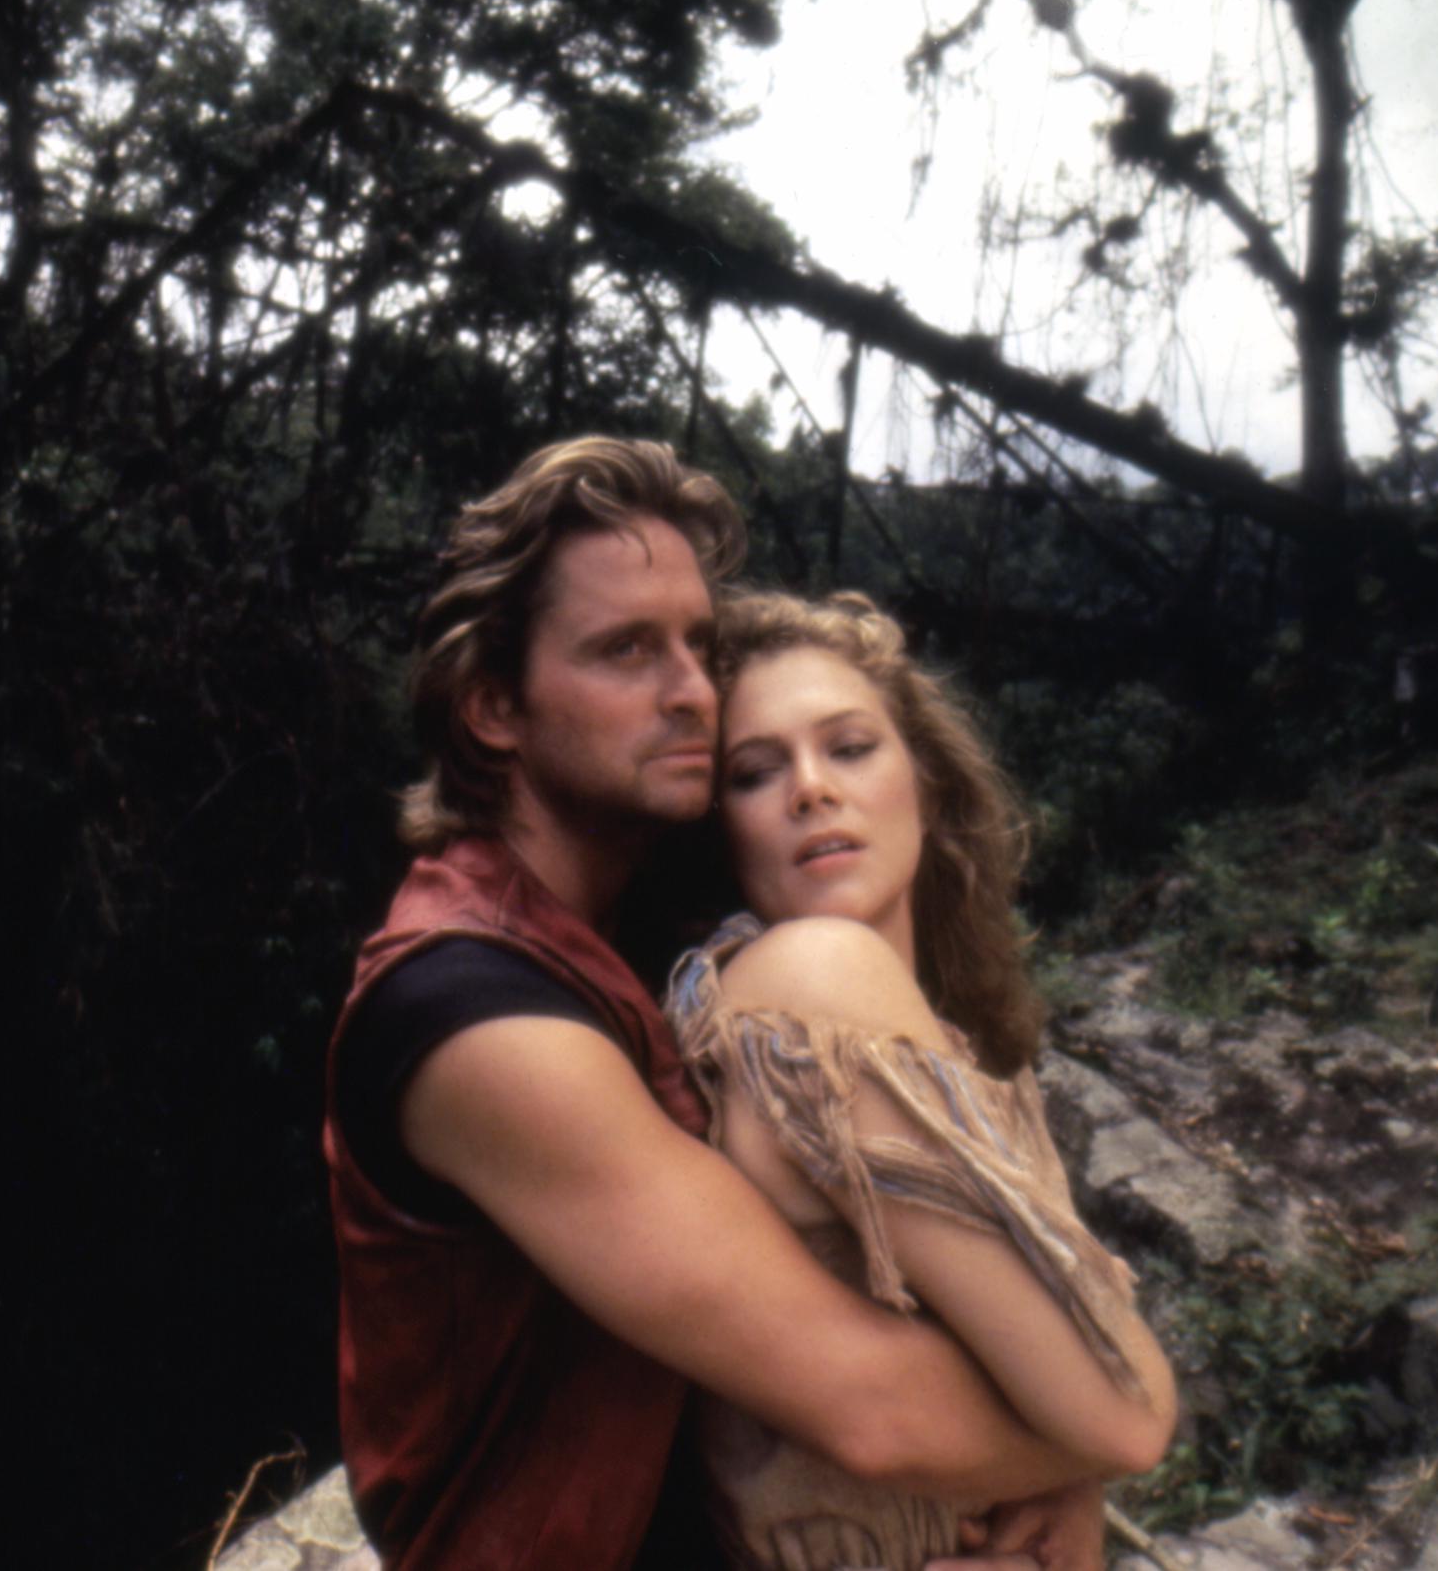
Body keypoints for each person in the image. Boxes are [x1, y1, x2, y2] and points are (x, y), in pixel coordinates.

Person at [324, 437, 1160, 1571]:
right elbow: (878, 1407)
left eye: (698, 647)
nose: (690, 693)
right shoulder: (475, 1017)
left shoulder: (628, 939)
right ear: (492, 709)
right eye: (627, 651)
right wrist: (1071, 1461)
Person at [664, 591, 1176, 1569]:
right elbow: (1126, 1411)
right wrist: (1076, 1459)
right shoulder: (812, 983)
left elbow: (1079, 1404)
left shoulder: (941, 1033)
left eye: (849, 748)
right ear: (718, 829)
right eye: (754, 772)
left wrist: (1068, 1480)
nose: (810, 789)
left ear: (926, 783)